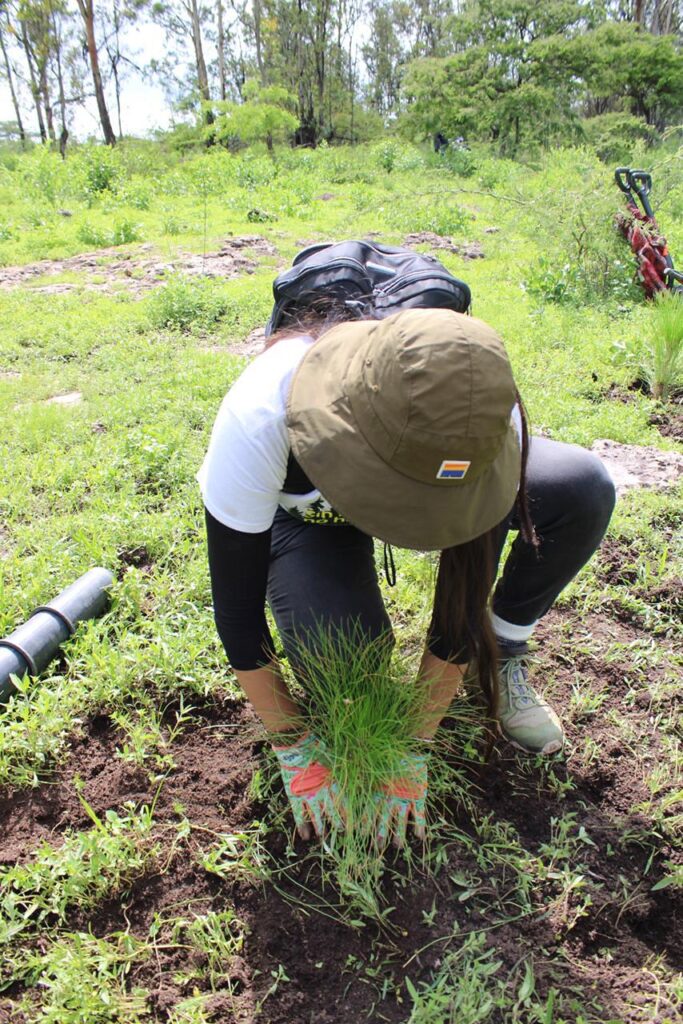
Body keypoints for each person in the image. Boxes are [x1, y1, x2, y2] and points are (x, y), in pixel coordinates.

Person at [198, 307, 615, 843]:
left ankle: (505, 648)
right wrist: (294, 744)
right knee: (344, 657)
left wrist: (415, 744)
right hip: (309, 515)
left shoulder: (479, 418)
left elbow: (460, 602)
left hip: (435, 468)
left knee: (581, 489)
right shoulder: (262, 416)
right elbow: (237, 614)